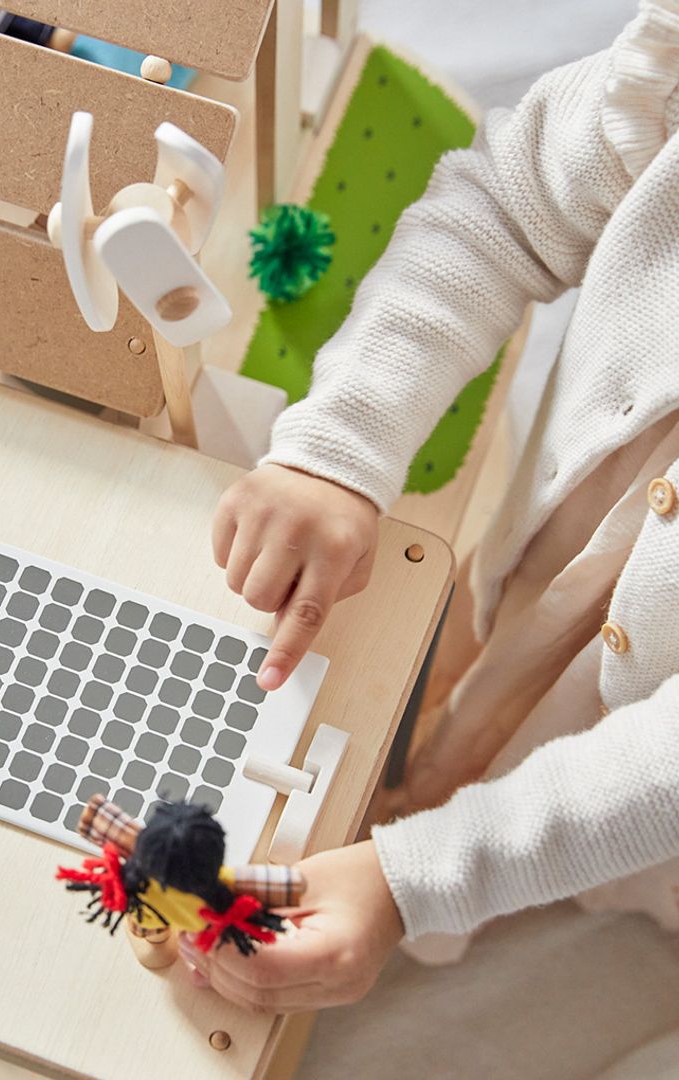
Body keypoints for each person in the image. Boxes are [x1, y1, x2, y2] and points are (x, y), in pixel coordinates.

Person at [184, 0, 679, 1011]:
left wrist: (424, 880)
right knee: (456, 677)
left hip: (648, 798)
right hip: (536, 580)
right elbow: (502, 207)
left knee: (605, 854)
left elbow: (655, 776)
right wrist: (341, 448)